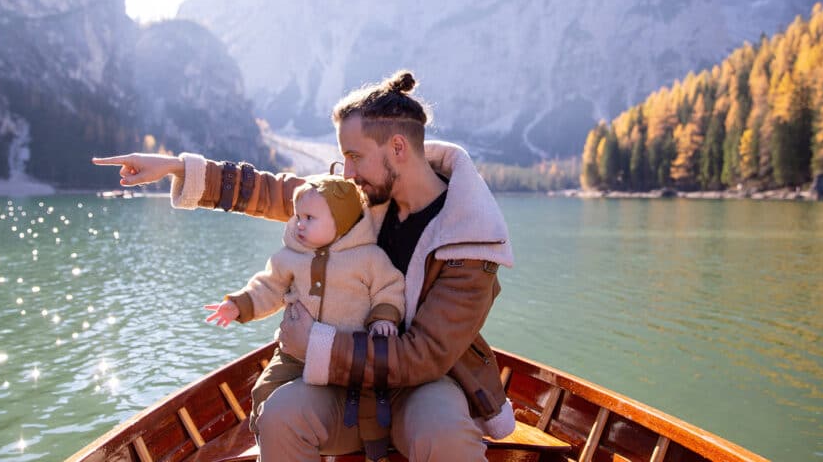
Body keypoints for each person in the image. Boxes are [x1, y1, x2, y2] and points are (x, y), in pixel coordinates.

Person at [93, 70, 515, 462]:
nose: (346, 173)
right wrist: (176, 168)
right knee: (280, 416)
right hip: (341, 384)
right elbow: (275, 192)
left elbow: (424, 356)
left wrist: (315, 342)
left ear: (398, 149)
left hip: (421, 385)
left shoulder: (470, 237)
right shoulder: (361, 196)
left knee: (446, 435)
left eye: (354, 156)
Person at [203, 174, 405, 461]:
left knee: (368, 403)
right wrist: (240, 304)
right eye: (298, 216)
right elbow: (268, 286)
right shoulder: (291, 256)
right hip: (294, 357)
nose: (300, 223)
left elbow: (390, 288)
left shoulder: (369, 258)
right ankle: (269, 442)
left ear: (341, 221)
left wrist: (384, 317)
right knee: (264, 389)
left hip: (347, 357)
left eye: (310, 218)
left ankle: (375, 449)